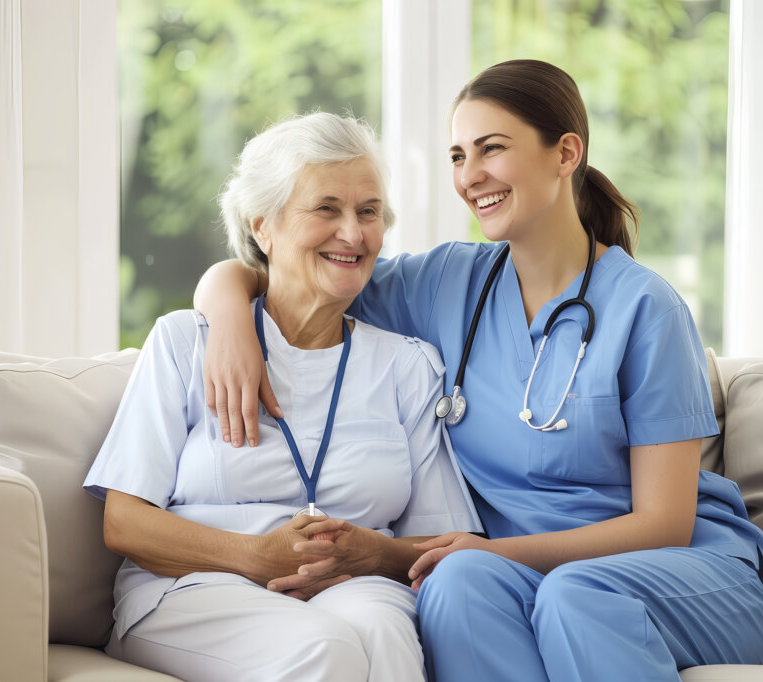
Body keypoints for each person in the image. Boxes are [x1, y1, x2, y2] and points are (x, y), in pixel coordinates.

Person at [195, 60, 763, 682]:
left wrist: (498, 551)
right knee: (455, 582)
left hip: (680, 572)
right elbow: (290, 269)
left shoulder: (645, 308)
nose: (470, 177)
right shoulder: (450, 282)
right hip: (520, 572)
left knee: (574, 596)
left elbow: (665, 523)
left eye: (491, 149)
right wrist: (229, 318)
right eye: (456, 156)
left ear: (565, 153)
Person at [83, 112, 481, 682]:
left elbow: (438, 540)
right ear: (262, 226)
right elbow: (124, 523)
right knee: (324, 650)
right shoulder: (185, 343)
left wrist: (367, 551)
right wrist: (254, 555)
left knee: (388, 637)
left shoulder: (408, 366)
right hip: (196, 588)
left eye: (368, 212)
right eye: (326, 208)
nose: (353, 233)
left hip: (353, 584)